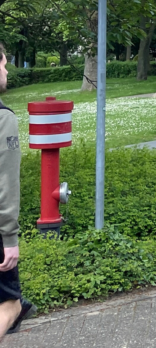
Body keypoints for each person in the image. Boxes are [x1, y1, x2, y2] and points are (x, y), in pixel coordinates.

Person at [1, 44, 37, 336]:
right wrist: (9, 237)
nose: (5, 72)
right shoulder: (3, 118)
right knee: (10, 306)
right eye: (3, 65)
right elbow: (6, 181)